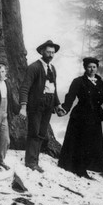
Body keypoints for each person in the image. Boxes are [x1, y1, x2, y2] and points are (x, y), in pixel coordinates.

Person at [19, 40, 65, 173]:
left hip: (49, 105)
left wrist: (57, 105)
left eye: (52, 52)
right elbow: (25, 87)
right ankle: (30, 162)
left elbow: (53, 89)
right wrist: (23, 106)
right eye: (48, 52)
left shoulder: (52, 68)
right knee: (34, 132)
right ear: (42, 52)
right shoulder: (34, 67)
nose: (50, 55)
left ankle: (35, 160)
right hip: (36, 104)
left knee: (42, 133)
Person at [58, 57, 103, 178]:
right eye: (89, 67)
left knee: (92, 142)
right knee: (81, 142)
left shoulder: (100, 82)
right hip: (81, 116)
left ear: (97, 68)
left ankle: (89, 166)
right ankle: (79, 168)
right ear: (85, 68)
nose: (92, 69)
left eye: (94, 67)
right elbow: (70, 97)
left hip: (95, 116)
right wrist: (65, 108)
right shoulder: (78, 81)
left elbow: (101, 98)